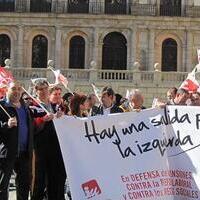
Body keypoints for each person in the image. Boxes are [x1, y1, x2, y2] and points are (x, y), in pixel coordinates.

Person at [30, 79, 66, 200]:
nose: (44, 91)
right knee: (39, 181)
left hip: (55, 149)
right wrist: (42, 120)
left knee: (54, 180)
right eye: (41, 89)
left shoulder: (56, 106)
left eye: (46, 88)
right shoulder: (32, 105)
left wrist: (61, 117)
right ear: (36, 90)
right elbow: (30, 126)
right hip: (40, 149)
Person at [0, 81, 34, 200]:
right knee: (2, 185)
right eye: (14, 89)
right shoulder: (2, 106)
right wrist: (6, 125)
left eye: (19, 89)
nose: (17, 92)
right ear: (6, 90)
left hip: (24, 153)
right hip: (7, 153)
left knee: (24, 186)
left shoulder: (25, 107)